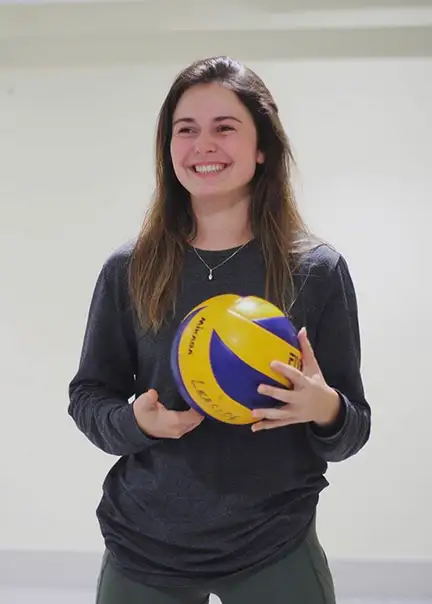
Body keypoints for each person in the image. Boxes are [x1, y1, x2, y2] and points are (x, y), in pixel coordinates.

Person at [68, 55, 371, 604]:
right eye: (186, 130)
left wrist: (324, 408)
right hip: (144, 544)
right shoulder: (130, 268)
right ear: (169, 149)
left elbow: (353, 427)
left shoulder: (316, 270)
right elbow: (88, 396)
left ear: (262, 148)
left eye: (224, 128)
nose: (203, 145)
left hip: (274, 542)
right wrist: (135, 423)